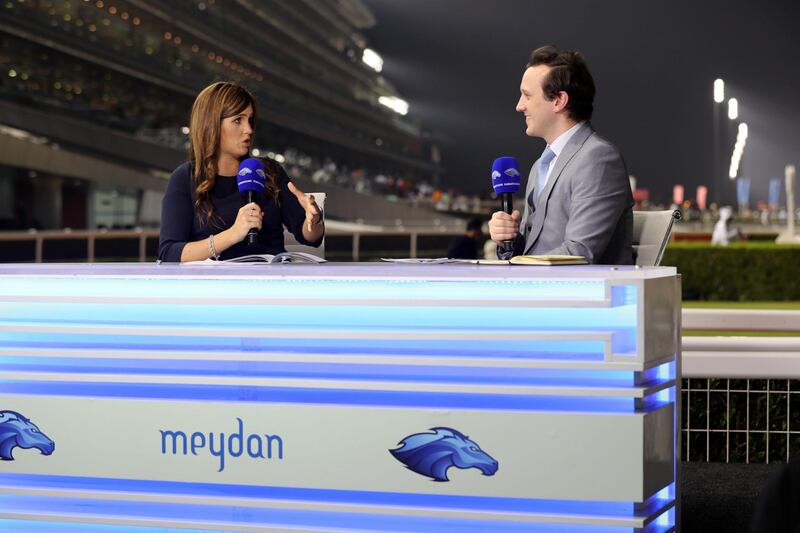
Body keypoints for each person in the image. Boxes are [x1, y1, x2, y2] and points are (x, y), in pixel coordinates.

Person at [488, 45, 633, 264]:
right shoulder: (540, 166)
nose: (519, 106)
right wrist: (508, 240)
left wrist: (519, 269)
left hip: (578, 295)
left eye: (527, 96)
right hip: (538, 288)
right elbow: (531, 250)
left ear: (558, 100)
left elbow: (580, 252)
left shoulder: (598, 158)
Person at [158, 82, 323, 262]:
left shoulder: (269, 171)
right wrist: (233, 234)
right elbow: (169, 253)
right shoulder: (185, 178)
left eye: (250, 120)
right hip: (214, 286)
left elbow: (309, 236)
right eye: (238, 120)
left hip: (271, 282)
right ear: (211, 124)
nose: (249, 130)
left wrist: (313, 221)